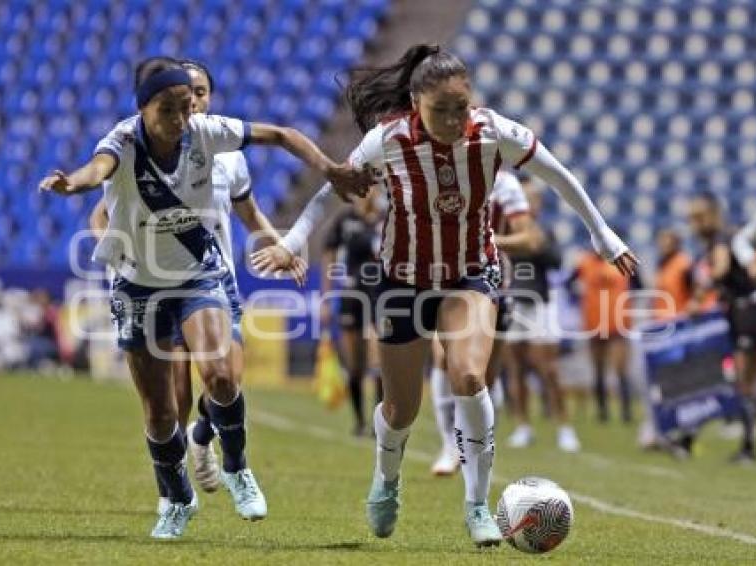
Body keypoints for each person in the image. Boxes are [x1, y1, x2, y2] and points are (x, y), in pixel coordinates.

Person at [256, 44, 636, 547]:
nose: (455, 119)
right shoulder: (387, 140)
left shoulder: (495, 132)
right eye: (442, 110)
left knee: (470, 375)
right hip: (402, 280)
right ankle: (386, 480)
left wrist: (603, 235)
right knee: (401, 409)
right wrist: (292, 241)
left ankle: (477, 503)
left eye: (462, 106)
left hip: (470, 274)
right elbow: (334, 189)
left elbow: (560, 177)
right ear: (416, 103)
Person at [39, 56, 369, 539]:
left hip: (200, 275)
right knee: (160, 409)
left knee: (220, 375)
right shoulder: (123, 141)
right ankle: (176, 498)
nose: (180, 118)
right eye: (168, 110)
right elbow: (97, 170)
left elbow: (280, 135)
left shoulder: (208, 133)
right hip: (139, 285)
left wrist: (330, 169)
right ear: (143, 109)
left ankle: (235, 467)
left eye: (187, 106)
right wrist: (73, 183)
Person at [88, 59, 306, 515]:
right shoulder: (139, 148)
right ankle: (177, 490)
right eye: (189, 94)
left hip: (212, 281)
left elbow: (248, 213)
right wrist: (123, 254)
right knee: (173, 405)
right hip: (153, 284)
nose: (197, 102)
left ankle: (212, 445)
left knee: (225, 378)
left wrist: (281, 246)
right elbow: (103, 212)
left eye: (202, 92)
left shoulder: (225, 150)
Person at [429, 168, 542, 475]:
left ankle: (477, 448)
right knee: (441, 358)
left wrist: (489, 239)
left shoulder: (504, 184)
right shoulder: (440, 174)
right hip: (444, 279)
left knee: (481, 377)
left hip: (493, 282)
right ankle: (449, 446)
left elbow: (529, 239)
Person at [689, 191, 756, 463]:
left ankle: (748, 448)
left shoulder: (722, 238)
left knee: (743, 380)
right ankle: (748, 444)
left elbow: (721, 269)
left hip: (746, 311)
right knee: (748, 381)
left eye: (699, 217)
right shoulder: (723, 239)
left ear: (713, 215)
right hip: (751, 310)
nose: (695, 224)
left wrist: (700, 293)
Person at [502, 178, 580, 452]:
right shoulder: (504, 229)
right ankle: (523, 426)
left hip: (540, 303)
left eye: (532, 199)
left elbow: (556, 261)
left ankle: (564, 427)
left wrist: (537, 244)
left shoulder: (544, 230)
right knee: (516, 368)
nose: (528, 204)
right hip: (513, 302)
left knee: (549, 369)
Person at [321, 189, 385, 436]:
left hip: (379, 294)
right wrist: (326, 297)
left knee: (378, 358)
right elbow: (329, 252)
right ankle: (359, 422)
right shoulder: (345, 219)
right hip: (351, 295)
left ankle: (381, 423)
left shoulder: (384, 218)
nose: (370, 192)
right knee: (355, 364)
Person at [569, 246, 641, 423]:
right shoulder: (584, 263)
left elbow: (639, 285)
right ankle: (603, 412)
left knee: (620, 370)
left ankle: (626, 412)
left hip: (618, 323)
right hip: (594, 322)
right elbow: (568, 283)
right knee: (598, 370)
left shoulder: (623, 261)